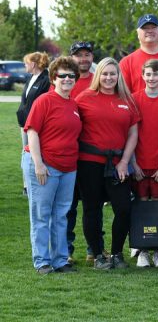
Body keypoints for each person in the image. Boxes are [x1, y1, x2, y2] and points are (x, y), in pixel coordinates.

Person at [75, 57, 140, 270]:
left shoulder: (127, 100)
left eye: (113, 74)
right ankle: (97, 255)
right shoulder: (84, 98)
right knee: (92, 209)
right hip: (89, 163)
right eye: (104, 73)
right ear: (98, 75)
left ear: (118, 76)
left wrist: (124, 162)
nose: (108, 78)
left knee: (123, 208)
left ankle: (117, 253)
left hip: (118, 164)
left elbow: (133, 133)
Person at [23, 57, 82, 274]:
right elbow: (31, 132)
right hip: (46, 167)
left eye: (71, 76)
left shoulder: (73, 104)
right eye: (62, 75)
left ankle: (60, 260)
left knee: (61, 215)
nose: (67, 79)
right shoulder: (44, 101)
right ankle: (42, 261)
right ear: (53, 78)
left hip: (68, 168)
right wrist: (38, 164)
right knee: (41, 215)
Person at [130, 59, 158, 268]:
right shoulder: (134, 99)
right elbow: (129, 134)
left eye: (155, 74)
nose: (151, 78)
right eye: (148, 74)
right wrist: (133, 164)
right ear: (142, 76)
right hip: (139, 164)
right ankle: (140, 250)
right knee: (141, 206)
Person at [64, 41, 99, 264]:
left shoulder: (96, 82)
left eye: (87, 55)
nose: (83, 59)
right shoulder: (66, 81)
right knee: (67, 207)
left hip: (89, 155)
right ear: (72, 58)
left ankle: (93, 249)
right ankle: (65, 250)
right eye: (79, 55)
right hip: (67, 154)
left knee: (92, 205)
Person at [17, 51, 50, 196]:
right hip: (24, 123)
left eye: (26, 62)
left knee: (32, 152)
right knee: (25, 152)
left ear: (34, 64)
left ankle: (32, 184)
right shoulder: (31, 78)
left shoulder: (45, 79)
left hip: (34, 125)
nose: (25, 65)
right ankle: (26, 185)